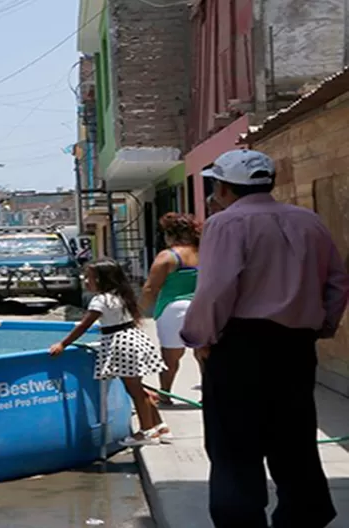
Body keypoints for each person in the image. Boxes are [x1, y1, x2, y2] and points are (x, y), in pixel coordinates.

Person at [180, 149, 348, 528]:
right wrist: (320, 327)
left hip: (239, 345)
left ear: (223, 187)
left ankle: (241, 519)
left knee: (234, 446)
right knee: (295, 439)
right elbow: (337, 282)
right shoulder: (310, 222)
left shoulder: (225, 224)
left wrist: (199, 337)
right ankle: (302, 517)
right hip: (295, 347)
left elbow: (216, 290)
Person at [49, 259, 169, 446]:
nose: (86, 281)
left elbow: (84, 325)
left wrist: (63, 344)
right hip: (132, 339)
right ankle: (159, 426)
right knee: (139, 389)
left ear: (103, 280)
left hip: (122, 345)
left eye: (90, 278)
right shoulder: (120, 295)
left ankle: (146, 432)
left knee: (135, 391)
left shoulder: (100, 300)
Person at [139, 213, 205, 405]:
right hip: (200, 306)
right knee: (202, 354)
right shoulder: (204, 253)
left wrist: (137, 313)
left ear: (170, 234)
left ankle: (166, 395)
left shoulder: (168, 256)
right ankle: (207, 395)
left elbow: (151, 289)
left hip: (173, 309)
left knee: (170, 356)